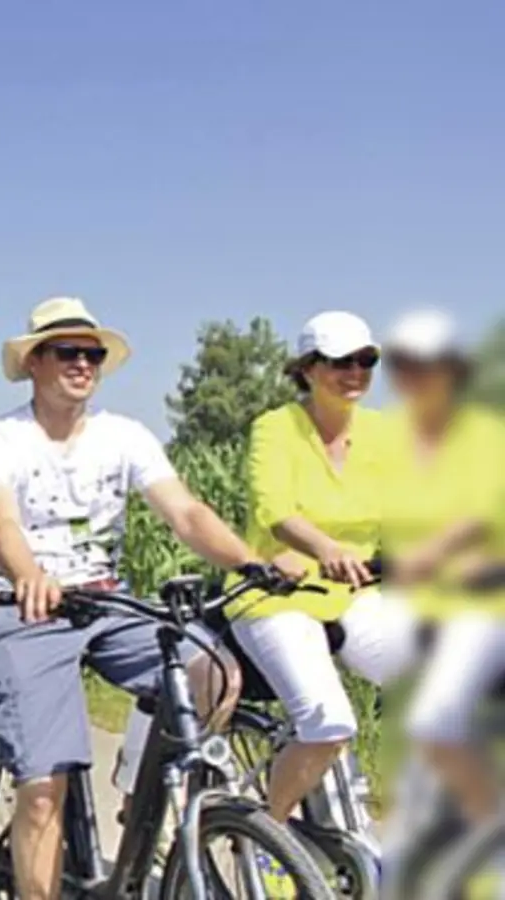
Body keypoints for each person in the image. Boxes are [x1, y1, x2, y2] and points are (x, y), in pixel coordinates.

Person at [0, 296, 253, 900]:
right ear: (34, 362)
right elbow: (0, 520)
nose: (82, 363)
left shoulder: (124, 436)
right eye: (67, 351)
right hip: (28, 610)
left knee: (216, 672)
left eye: (92, 354)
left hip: (110, 606)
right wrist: (29, 574)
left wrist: (252, 564)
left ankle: (143, 797)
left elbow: (186, 512)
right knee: (44, 789)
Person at [118, 311, 416, 830]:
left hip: (353, 596)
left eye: (366, 360)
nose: (356, 372)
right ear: (308, 368)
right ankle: (269, 839)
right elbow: (277, 512)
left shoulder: (384, 433)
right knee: (328, 723)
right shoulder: (276, 429)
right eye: (341, 361)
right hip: (276, 598)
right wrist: (325, 548)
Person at [380, 308, 505, 828]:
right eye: (405, 367)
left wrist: (430, 555)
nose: (417, 378)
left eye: (428, 366)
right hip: (424, 604)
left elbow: (480, 514)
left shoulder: (484, 436)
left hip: (483, 602)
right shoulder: (395, 437)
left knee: (435, 722)